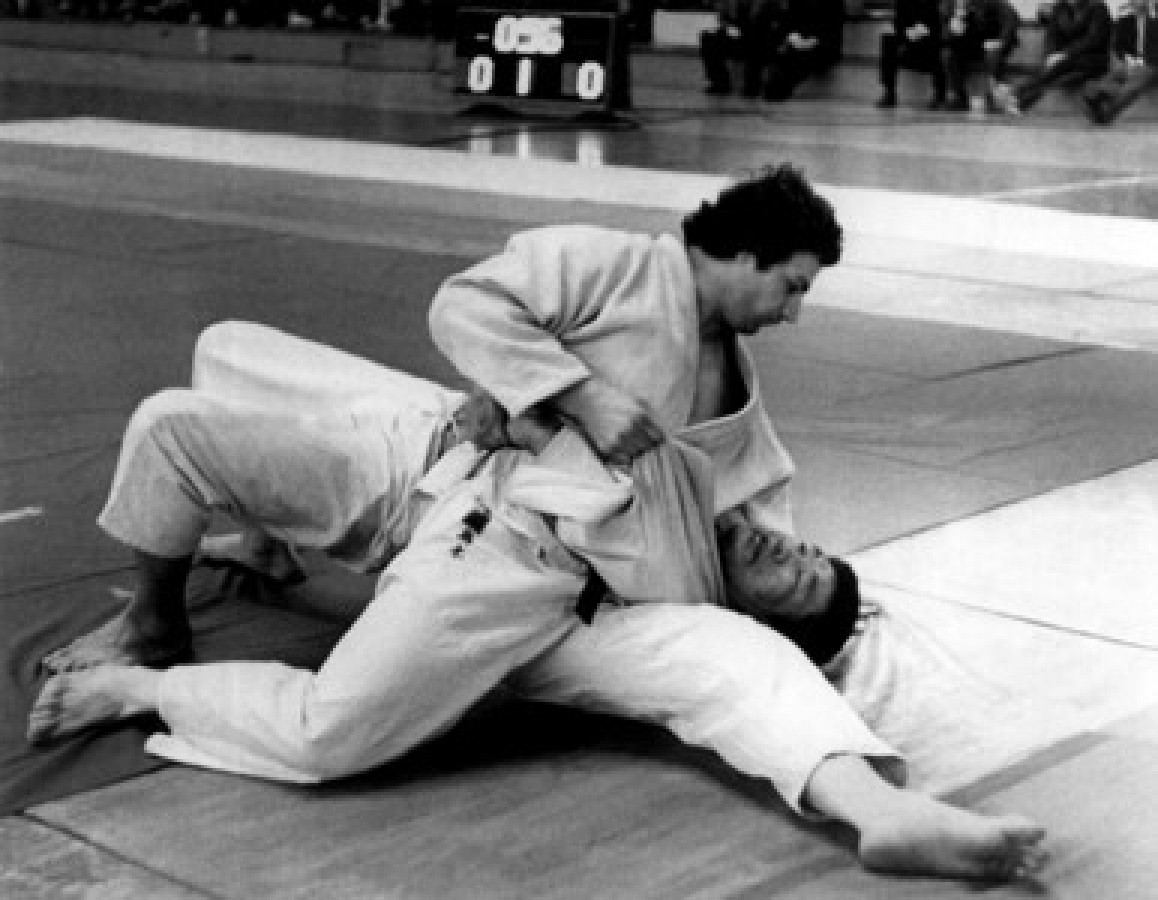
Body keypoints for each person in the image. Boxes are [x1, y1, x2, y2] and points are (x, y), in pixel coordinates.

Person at [28, 500, 1049, 882]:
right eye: (806, 549)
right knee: (328, 736)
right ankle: (208, 600)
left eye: (795, 580)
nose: (788, 551)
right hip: (491, 540)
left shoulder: (715, 629)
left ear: (765, 612)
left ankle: (885, 814)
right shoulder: (729, 483)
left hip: (576, 625)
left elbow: (749, 661)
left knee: (738, 674)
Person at [1001, 0, 1112, 114]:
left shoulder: (1098, 8)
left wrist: (1065, 54)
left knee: (1056, 78)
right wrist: (1051, 55)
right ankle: (1017, 99)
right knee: (1051, 73)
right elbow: (1052, 35)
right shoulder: (1060, 8)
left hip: (1093, 60)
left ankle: (1016, 96)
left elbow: (1093, 39)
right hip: (1066, 59)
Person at [1081, 0, 1158, 123]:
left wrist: (1142, 61)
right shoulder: (1128, 19)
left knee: (1136, 82)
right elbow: (1119, 45)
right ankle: (1097, 96)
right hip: (1137, 60)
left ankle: (1105, 110)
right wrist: (1129, 58)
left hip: (1151, 62)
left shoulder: (1153, 20)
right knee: (1121, 76)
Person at [941, 0, 1021, 111]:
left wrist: (1001, 40)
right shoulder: (949, 6)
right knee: (947, 55)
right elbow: (944, 37)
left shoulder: (993, 4)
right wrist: (952, 30)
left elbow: (1010, 19)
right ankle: (957, 96)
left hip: (992, 43)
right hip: (969, 46)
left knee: (992, 52)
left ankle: (994, 92)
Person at [762, 0, 845, 101]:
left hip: (820, 44)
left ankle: (777, 88)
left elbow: (833, 26)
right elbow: (790, 18)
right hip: (802, 41)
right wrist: (792, 36)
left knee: (796, 63)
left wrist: (811, 40)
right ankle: (775, 88)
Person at [699, 0, 786, 97]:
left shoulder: (771, 5)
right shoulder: (736, 4)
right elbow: (728, 21)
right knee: (709, 39)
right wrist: (727, 22)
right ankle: (720, 82)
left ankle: (753, 84)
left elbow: (777, 28)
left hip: (762, 43)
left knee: (756, 42)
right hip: (744, 40)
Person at [875, 0, 948, 109]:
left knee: (937, 47)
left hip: (929, 34)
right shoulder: (902, 3)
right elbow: (898, 21)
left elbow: (935, 21)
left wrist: (921, 31)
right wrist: (907, 32)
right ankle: (889, 92)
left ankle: (939, 94)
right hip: (908, 35)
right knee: (889, 42)